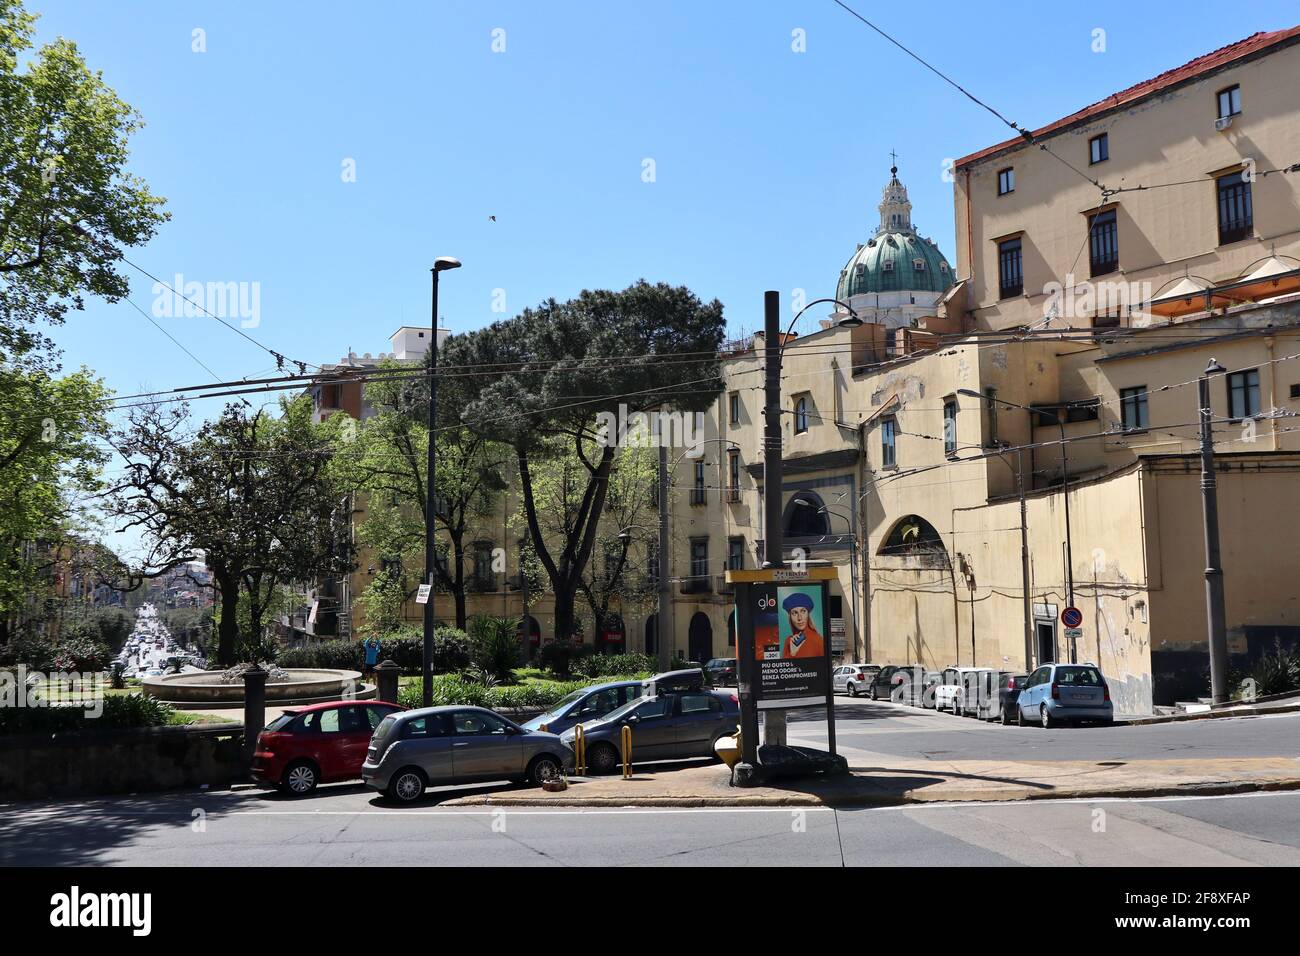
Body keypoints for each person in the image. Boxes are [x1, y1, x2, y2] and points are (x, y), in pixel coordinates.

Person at [780, 592, 825, 659]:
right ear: (790, 617)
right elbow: (786, 668)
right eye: (794, 613)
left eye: (803, 611)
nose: (800, 618)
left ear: (808, 614)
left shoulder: (818, 640)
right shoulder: (788, 641)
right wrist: (792, 654)